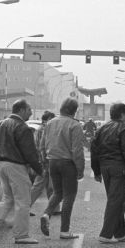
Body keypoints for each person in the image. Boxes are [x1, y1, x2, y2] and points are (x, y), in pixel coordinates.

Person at [0, 99, 43, 244]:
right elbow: (30, 153)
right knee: (23, 200)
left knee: (8, 198)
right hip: (16, 165)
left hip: (1, 164)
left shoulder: (0, 124)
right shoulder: (22, 127)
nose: (31, 113)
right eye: (29, 110)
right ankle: (21, 235)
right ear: (21, 110)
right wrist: (40, 170)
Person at [90, 102, 125, 243]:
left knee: (116, 200)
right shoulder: (124, 129)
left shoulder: (101, 129)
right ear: (122, 114)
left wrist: (97, 171)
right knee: (115, 201)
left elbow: (94, 152)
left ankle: (120, 233)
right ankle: (105, 234)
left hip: (105, 168)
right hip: (119, 169)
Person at [40, 98, 86, 239]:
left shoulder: (50, 123)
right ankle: (64, 230)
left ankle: (46, 214)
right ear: (74, 110)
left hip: (52, 161)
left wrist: (45, 161)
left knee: (57, 192)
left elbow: (42, 145)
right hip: (68, 164)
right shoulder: (75, 125)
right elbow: (77, 150)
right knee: (69, 196)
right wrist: (80, 169)